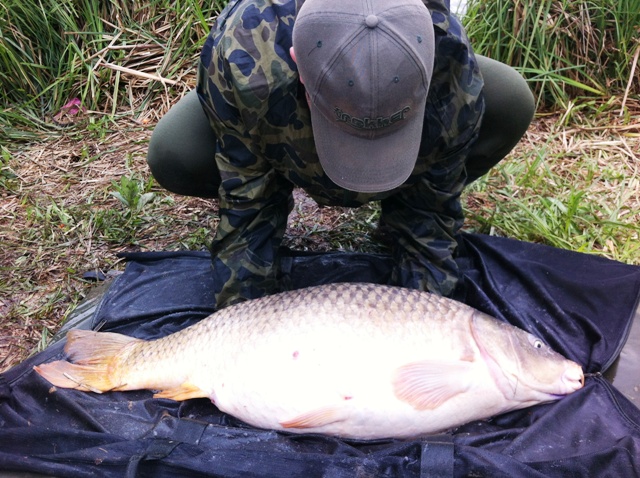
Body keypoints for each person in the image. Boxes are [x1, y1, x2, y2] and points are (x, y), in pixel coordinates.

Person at [147, 0, 535, 309]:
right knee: (174, 151)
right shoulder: (247, 50)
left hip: (420, 80)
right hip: (269, 91)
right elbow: (246, 198)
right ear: (298, 62)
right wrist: (243, 317)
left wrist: (426, 310)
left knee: (510, 98)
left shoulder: (448, 59)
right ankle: (288, 167)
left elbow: (433, 217)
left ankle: (397, 210)